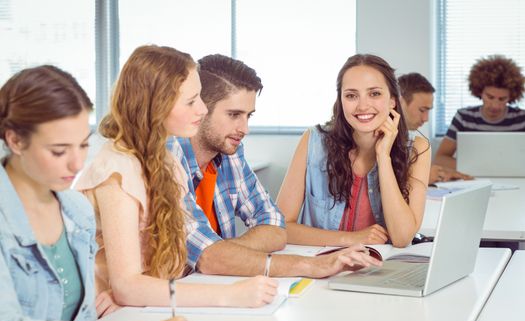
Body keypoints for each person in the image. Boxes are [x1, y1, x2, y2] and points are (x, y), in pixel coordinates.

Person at [0, 65, 192, 321]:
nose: (77, 164)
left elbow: (83, 319)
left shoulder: (76, 211)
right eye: (59, 151)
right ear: (15, 140)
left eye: (83, 146)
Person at [75, 45, 278, 309]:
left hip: (142, 306)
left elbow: (171, 262)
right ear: (156, 104)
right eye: (192, 101)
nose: (203, 109)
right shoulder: (116, 170)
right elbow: (126, 286)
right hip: (99, 311)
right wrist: (229, 295)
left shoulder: (167, 161)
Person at [171, 54, 382, 277]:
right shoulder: (169, 158)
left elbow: (275, 227)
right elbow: (207, 257)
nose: (244, 129)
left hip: (211, 289)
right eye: (234, 115)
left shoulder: (230, 155)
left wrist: (226, 254)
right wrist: (310, 266)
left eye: (248, 116)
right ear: (200, 108)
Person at [277, 54, 431, 247]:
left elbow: (402, 238)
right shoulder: (313, 141)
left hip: (379, 269)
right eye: (351, 95)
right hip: (319, 268)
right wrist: (349, 239)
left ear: (392, 100)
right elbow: (278, 228)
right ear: (341, 101)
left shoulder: (417, 149)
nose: (363, 106)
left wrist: (383, 157)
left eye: (374, 94)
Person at [434, 55, 525, 169]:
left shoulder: (522, 119)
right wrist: (477, 169)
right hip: (473, 180)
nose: (495, 106)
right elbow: (440, 158)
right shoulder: (464, 117)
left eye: (502, 99)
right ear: (480, 91)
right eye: (490, 97)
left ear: (511, 96)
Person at [398, 72, 472, 183]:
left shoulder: (404, 135)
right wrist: (422, 177)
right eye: (422, 110)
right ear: (400, 103)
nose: (426, 118)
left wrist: (439, 173)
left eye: (428, 111)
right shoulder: (382, 135)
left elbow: (402, 172)